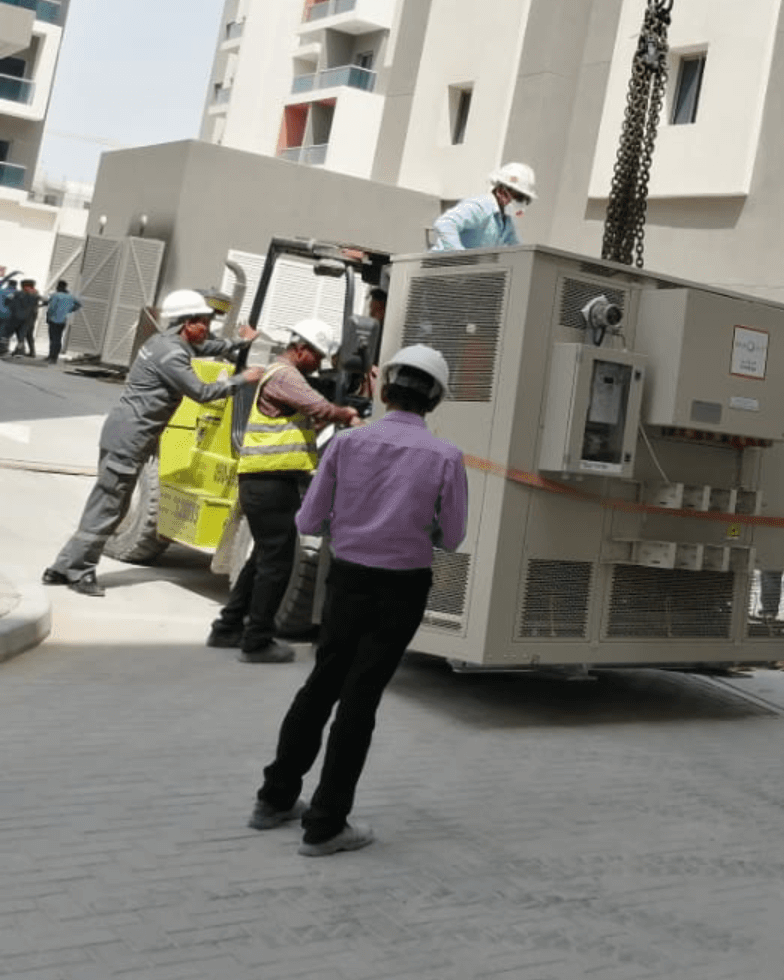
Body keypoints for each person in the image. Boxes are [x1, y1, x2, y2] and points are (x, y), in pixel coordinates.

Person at [248, 344, 467, 857]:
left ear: (384, 389)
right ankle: (326, 825)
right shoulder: (445, 457)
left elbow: (309, 520)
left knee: (321, 685)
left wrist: (350, 526)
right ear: (435, 400)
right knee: (360, 699)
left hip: (346, 580)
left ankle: (274, 798)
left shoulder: (347, 444)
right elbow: (452, 537)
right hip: (402, 588)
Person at [43, 290, 263, 596]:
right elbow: (203, 392)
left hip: (123, 431)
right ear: (188, 323)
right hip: (131, 437)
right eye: (204, 322)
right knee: (110, 508)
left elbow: (206, 346)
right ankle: (80, 571)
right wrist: (243, 379)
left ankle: (62, 566)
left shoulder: (163, 342)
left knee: (104, 503)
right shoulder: (172, 355)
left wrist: (240, 342)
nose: (207, 329)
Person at [210, 317, 363, 662]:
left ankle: (227, 627)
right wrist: (347, 413)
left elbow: (299, 419)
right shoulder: (285, 375)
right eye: (317, 356)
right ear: (301, 348)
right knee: (277, 565)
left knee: (262, 560)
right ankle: (257, 641)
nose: (319, 364)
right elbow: (319, 406)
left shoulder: (280, 375)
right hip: (270, 482)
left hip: (264, 481)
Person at [428, 162, 537, 250]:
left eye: (523, 199)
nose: (518, 202)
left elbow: (516, 250)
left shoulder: (506, 222)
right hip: (441, 267)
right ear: (501, 191)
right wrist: (459, 256)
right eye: (518, 197)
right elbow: (445, 223)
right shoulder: (481, 206)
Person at [42, 279, 80, 362]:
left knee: (53, 339)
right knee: (58, 338)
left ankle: (51, 356)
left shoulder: (55, 295)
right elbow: (78, 304)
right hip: (63, 320)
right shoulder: (70, 296)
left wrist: (48, 316)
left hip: (53, 319)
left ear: (58, 287)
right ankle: (55, 357)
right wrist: (70, 310)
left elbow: (52, 308)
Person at [6, 278, 41, 356]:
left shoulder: (18, 293)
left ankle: (11, 349)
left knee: (9, 333)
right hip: (29, 318)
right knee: (24, 335)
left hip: (16, 317)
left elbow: (8, 301)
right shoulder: (36, 295)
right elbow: (44, 301)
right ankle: (22, 350)